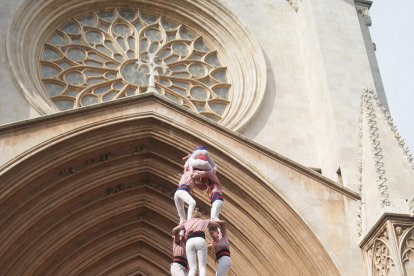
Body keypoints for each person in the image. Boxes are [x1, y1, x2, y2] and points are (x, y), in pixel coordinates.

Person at [172, 209, 225, 276]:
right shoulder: (202, 221)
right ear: (199, 216)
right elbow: (216, 224)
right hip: (200, 239)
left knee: (192, 268)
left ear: (192, 217)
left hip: (190, 241)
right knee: (202, 267)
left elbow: (174, 229)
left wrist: (176, 233)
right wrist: (220, 229)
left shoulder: (187, 222)